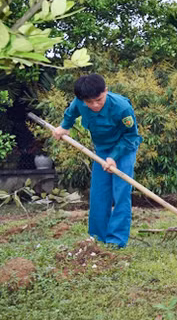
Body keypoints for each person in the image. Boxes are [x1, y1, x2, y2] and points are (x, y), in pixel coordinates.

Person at [52, 74, 141, 248]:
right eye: (89, 102)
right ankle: (97, 237)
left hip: (123, 150)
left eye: (98, 100)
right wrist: (64, 127)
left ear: (106, 91)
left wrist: (113, 157)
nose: (94, 105)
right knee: (99, 194)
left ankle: (116, 240)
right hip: (101, 151)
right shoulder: (80, 102)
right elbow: (70, 113)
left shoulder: (122, 107)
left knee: (121, 194)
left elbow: (131, 136)